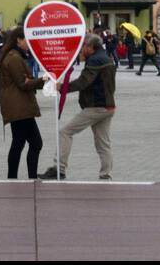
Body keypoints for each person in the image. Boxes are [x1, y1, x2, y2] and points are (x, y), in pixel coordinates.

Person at [44, 34, 117, 180]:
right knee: (103, 143)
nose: (81, 49)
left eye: (83, 46)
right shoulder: (107, 58)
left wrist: (62, 87)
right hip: (108, 106)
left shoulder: (95, 60)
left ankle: (59, 168)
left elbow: (84, 82)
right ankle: (106, 174)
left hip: (95, 106)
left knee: (65, 132)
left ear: (90, 47)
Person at [0, 28, 46, 179]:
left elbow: (24, 81)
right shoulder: (14, 58)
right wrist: (43, 80)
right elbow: (22, 83)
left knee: (23, 143)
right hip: (19, 107)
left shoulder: (14, 56)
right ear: (18, 40)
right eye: (27, 40)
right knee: (31, 143)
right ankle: (20, 177)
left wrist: (34, 81)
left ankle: (17, 177)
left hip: (19, 106)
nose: (29, 44)